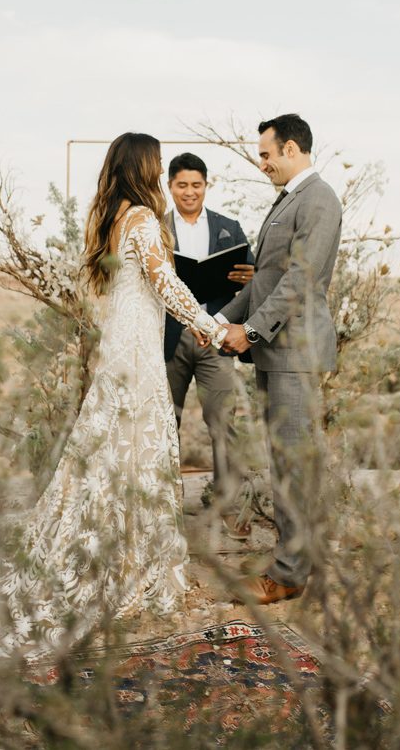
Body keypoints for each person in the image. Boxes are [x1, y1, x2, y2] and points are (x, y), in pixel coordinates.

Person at [0, 134, 226, 659]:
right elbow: (165, 286)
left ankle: (121, 549)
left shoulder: (116, 218)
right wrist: (209, 325)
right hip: (136, 354)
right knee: (135, 452)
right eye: (156, 163)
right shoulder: (143, 222)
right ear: (143, 166)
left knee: (116, 454)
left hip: (121, 349)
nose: (160, 171)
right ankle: (127, 561)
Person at [218, 114, 342, 605]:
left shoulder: (319, 200)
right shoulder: (289, 199)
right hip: (278, 350)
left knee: (292, 465)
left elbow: (299, 282)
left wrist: (249, 331)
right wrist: (218, 321)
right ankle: (298, 560)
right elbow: (265, 280)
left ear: (292, 148)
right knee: (285, 461)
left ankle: (290, 574)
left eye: (267, 153)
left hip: (295, 352)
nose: (262, 161)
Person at [164, 152, 254, 536]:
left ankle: (229, 505)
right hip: (170, 338)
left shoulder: (229, 228)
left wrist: (251, 275)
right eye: (181, 185)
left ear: (206, 185)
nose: (189, 192)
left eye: (196, 184)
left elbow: (251, 280)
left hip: (216, 336)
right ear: (170, 187)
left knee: (223, 423)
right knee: (167, 423)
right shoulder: (156, 227)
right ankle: (164, 508)